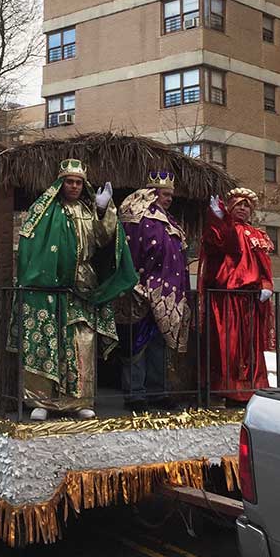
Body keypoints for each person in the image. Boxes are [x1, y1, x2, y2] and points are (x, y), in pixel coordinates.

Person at [9, 159, 138, 421]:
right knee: (45, 341)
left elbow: (103, 241)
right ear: (61, 182)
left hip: (83, 286)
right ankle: (41, 402)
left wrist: (103, 211)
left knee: (83, 344)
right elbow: (28, 246)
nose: (74, 186)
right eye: (70, 181)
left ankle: (80, 401)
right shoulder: (44, 210)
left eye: (79, 182)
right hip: (47, 289)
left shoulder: (87, 211)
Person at [117, 171, 191, 409]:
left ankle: (157, 391)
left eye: (171, 195)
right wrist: (135, 284)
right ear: (152, 193)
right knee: (137, 342)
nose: (169, 199)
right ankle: (135, 393)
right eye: (164, 194)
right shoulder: (137, 217)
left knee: (159, 342)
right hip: (141, 291)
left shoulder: (170, 222)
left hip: (167, 294)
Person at [199, 187, 275, 403]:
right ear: (230, 207)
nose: (243, 209)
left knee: (250, 347)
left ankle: (253, 387)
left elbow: (264, 265)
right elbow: (223, 246)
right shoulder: (221, 230)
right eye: (238, 204)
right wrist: (219, 219)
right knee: (228, 346)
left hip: (250, 300)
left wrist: (267, 284)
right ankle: (227, 389)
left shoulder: (257, 234)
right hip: (226, 299)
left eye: (246, 206)